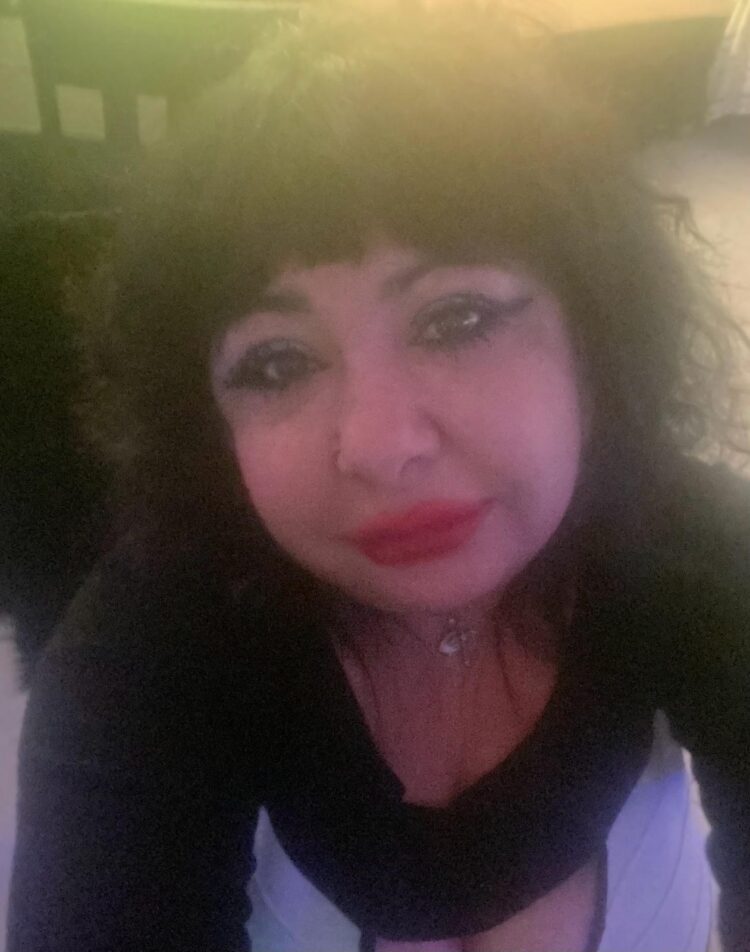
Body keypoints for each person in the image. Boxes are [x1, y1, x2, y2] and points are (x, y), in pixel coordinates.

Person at [7, 2, 750, 950]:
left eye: (456, 319)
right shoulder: (147, 648)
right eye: (277, 362)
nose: (380, 444)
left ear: (595, 330)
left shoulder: (701, 554)